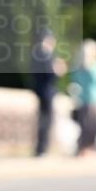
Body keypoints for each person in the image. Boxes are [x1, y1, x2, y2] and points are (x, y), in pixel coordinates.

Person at [69, 39, 96, 156]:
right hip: (83, 101)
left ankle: (93, 148)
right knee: (84, 126)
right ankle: (83, 148)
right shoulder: (79, 68)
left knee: (94, 126)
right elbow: (75, 83)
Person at [31, 29, 66, 157]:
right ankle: (42, 149)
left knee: (43, 120)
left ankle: (41, 148)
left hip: (41, 90)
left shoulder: (36, 53)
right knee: (46, 121)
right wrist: (57, 70)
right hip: (46, 91)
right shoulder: (44, 54)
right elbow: (49, 74)